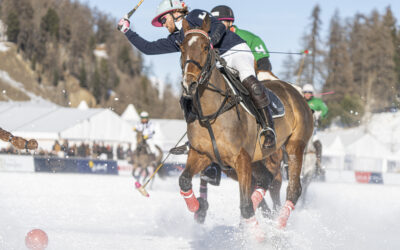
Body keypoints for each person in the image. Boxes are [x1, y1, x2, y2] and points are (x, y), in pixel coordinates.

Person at [117, 0, 276, 149]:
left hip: (235, 51)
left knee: (249, 81)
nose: (163, 25)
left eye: (164, 20)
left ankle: (269, 127)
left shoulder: (194, 16)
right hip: (217, 63)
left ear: (176, 12)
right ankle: (196, 138)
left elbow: (219, 25)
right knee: (188, 97)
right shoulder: (177, 38)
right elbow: (148, 48)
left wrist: (210, 41)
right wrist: (127, 31)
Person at [210, 5, 277, 81]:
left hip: (247, 77)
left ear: (230, 22)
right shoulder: (209, 39)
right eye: (213, 23)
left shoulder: (251, 38)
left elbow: (263, 64)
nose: (217, 26)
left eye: (220, 22)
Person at [302, 83, 328, 180]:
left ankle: (318, 165)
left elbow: (325, 110)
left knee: (318, 145)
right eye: (305, 92)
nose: (307, 94)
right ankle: (285, 163)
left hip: (313, 131)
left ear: (312, 93)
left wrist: (319, 114)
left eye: (309, 92)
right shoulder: (300, 101)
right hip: (300, 130)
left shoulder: (317, 102)